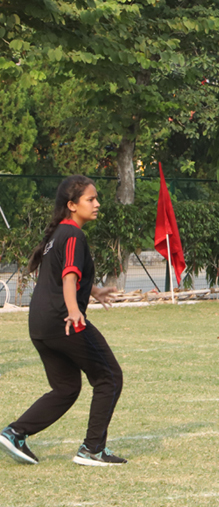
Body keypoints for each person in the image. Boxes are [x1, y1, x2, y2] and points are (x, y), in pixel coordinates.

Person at [1, 176, 124, 466]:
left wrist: (93, 291)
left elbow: (62, 275)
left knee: (66, 388)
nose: (97, 204)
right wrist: (73, 309)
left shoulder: (58, 234)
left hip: (40, 325)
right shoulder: (72, 234)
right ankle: (92, 449)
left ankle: (15, 433)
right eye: (90, 199)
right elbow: (69, 276)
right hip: (63, 321)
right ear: (72, 205)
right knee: (109, 377)